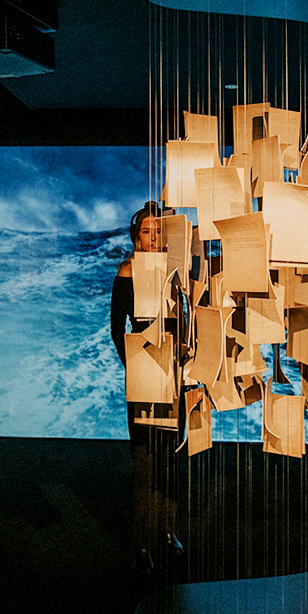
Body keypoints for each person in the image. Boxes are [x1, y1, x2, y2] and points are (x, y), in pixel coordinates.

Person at [110, 203, 181, 574]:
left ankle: (167, 532)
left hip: (173, 373)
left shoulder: (175, 271)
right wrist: (136, 365)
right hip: (144, 372)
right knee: (145, 463)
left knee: (171, 459)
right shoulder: (128, 271)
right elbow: (116, 329)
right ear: (136, 237)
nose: (152, 239)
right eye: (146, 233)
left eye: (157, 232)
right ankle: (140, 542)